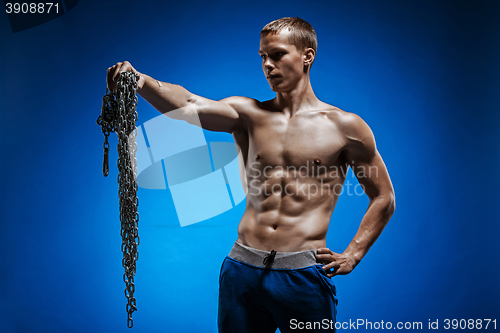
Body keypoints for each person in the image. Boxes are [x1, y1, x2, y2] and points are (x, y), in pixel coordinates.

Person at [107, 17, 395, 333]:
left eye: (277, 55)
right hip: (241, 270)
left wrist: (353, 254)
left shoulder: (346, 127)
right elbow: (188, 104)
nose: (268, 65)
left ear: (307, 56)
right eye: (262, 57)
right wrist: (141, 81)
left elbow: (384, 197)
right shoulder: (247, 115)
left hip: (302, 275)